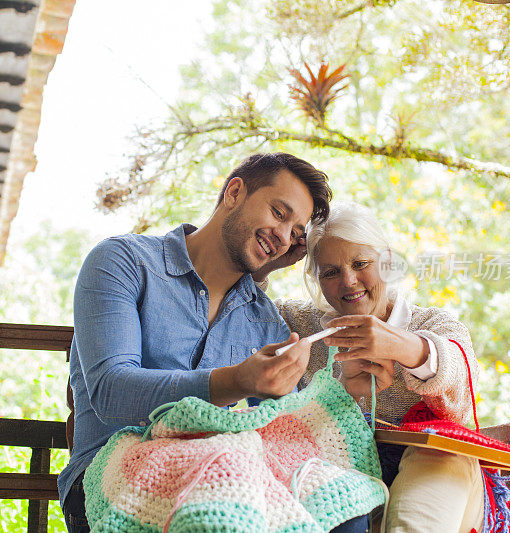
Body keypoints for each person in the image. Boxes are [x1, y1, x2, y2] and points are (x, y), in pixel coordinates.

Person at [58, 153, 371, 533]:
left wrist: (349, 391)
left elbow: (280, 431)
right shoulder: (123, 263)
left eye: (295, 232)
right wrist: (236, 381)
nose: (283, 234)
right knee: (222, 489)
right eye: (278, 212)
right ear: (235, 192)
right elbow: (111, 392)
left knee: (342, 500)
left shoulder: (264, 321)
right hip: (106, 479)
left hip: (224, 478)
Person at [253, 201, 484, 533]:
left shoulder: (431, 323)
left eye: (361, 263)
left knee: (433, 465)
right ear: (316, 279)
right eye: (330, 272)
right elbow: (242, 307)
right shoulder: (300, 324)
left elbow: (463, 380)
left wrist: (405, 347)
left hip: (436, 470)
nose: (349, 281)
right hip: (341, 484)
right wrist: (268, 265)